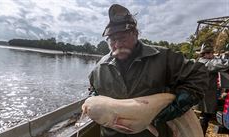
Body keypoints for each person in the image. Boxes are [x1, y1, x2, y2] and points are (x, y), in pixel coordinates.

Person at [88, 4, 208, 137]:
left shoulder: (163, 57)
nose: (117, 45)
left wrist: (177, 107)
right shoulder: (99, 68)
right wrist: (93, 99)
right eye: (112, 40)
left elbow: (199, 75)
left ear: (135, 34)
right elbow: (93, 90)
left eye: (122, 38)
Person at [197, 43, 229, 135]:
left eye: (212, 53)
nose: (212, 55)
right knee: (204, 117)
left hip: (207, 93)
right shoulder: (204, 62)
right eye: (209, 53)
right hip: (206, 95)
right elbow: (219, 63)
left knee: (205, 116)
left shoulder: (204, 61)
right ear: (204, 54)